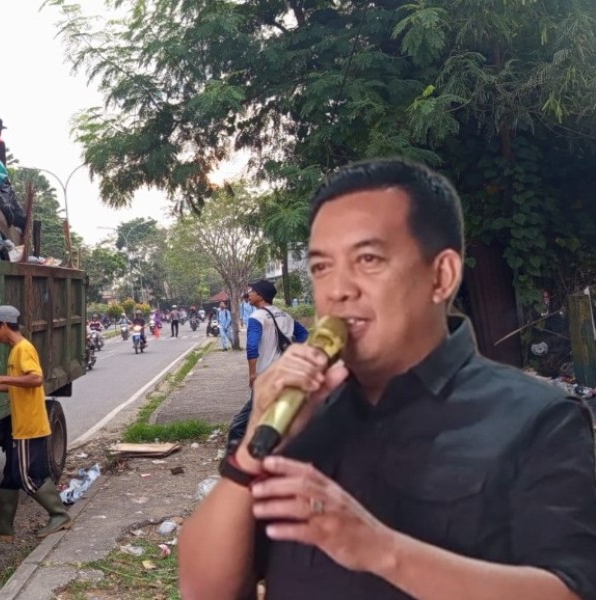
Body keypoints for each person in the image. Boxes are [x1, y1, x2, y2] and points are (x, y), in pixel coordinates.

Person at [178, 159, 596, 600]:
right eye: (321, 268)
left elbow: (571, 590)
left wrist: (381, 550)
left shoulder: (538, 418)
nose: (338, 290)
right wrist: (250, 453)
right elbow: (205, 590)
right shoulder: (300, 417)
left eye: (368, 259)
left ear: (441, 275)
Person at [0, 305, 72, 540]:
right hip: (24, 423)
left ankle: (58, 514)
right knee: (10, 474)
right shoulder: (14, 351)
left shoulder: (23, 349)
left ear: (3, 325)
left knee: (25, 476)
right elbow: (17, 384)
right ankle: (4, 525)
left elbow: (35, 378)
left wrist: (0, 377)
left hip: (29, 426)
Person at [226, 279, 295, 449]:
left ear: (261, 296)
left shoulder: (257, 317)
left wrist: (252, 374)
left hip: (266, 377)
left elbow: (251, 346)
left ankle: (235, 462)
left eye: (252, 291)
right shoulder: (285, 316)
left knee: (238, 427)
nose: (248, 294)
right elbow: (303, 337)